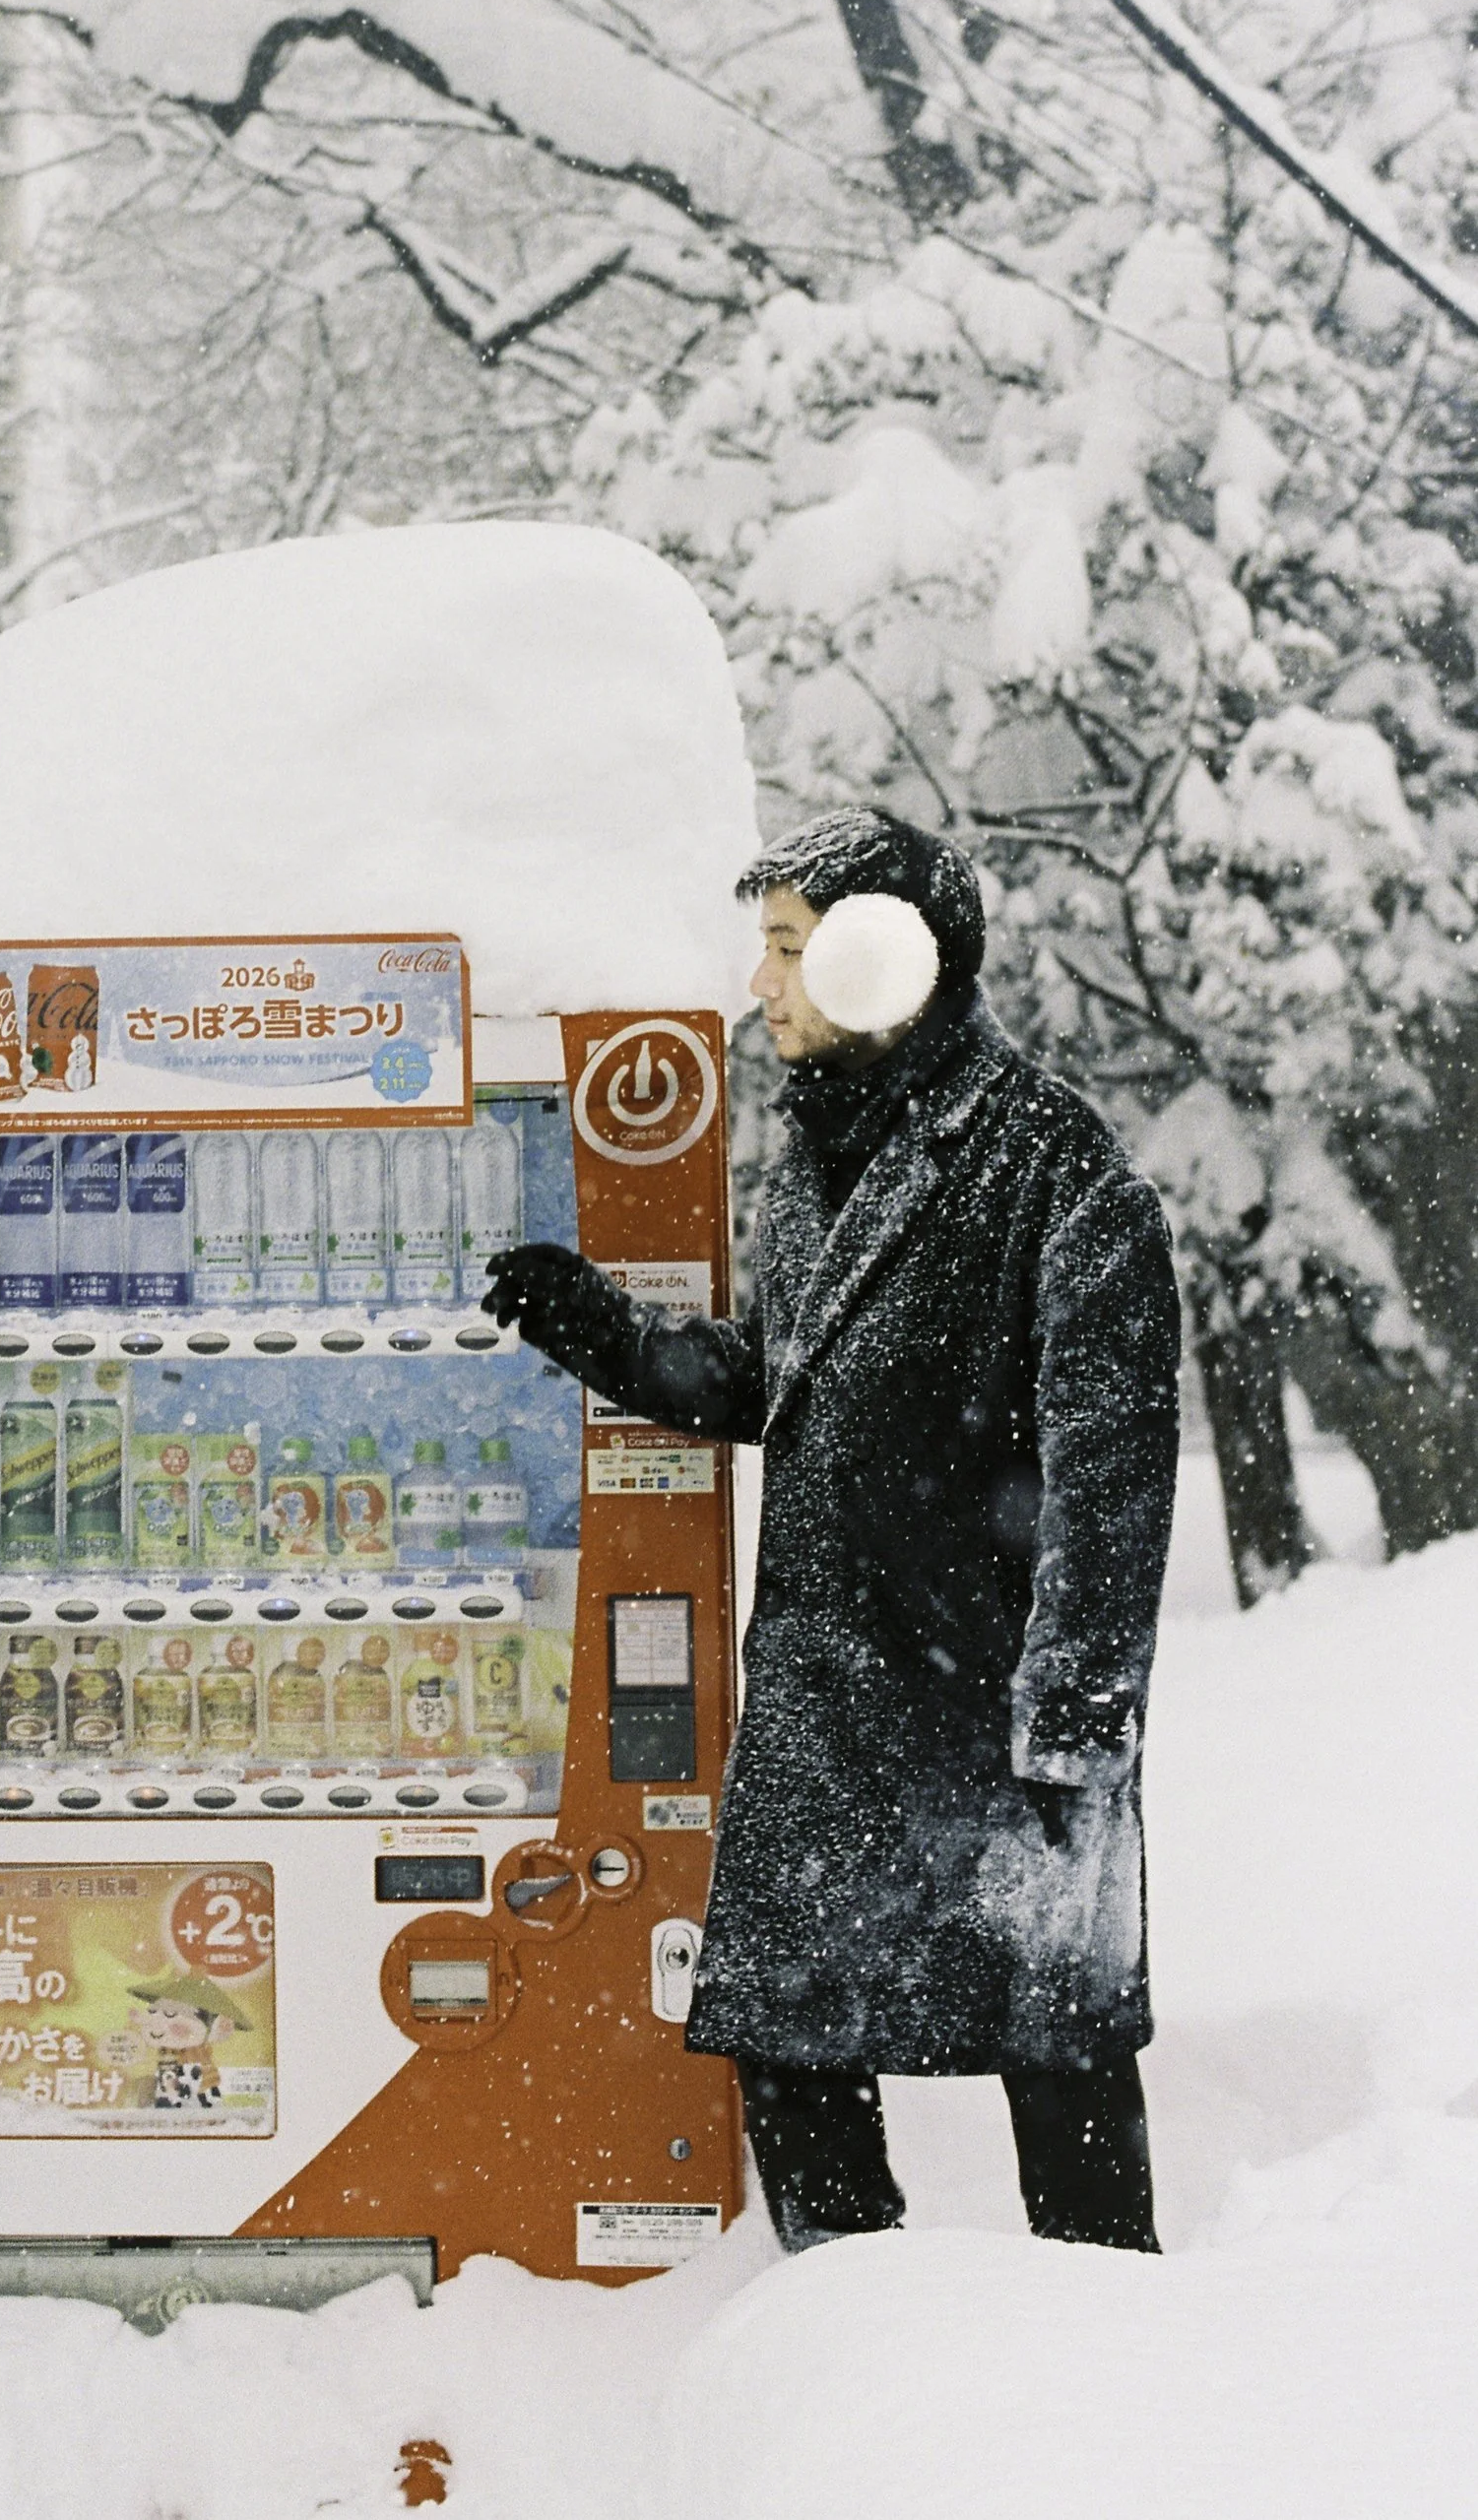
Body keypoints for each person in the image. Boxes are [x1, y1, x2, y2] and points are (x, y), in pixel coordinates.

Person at [484, 808, 1182, 2255]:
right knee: (794, 2063)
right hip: (833, 1720)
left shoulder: (1055, 1165)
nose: (763, 986)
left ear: (885, 962)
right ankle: (851, 2341)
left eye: (791, 953)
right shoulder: (817, 1160)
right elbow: (773, 1382)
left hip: (991, 1724)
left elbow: (1113, 1483)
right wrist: (605, 1334)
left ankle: (1118, 2388)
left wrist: (1071, 1734)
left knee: (1062, 2090)